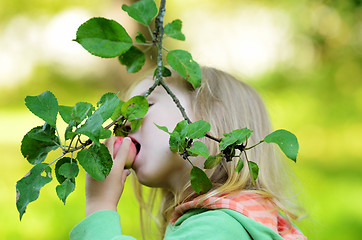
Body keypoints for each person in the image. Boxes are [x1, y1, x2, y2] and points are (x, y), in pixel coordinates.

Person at [70, 66, 307, 240]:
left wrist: (99, 207)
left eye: (146, 105)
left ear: (212, 117)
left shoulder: (216, 228)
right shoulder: (240, 220)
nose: (123, 123)